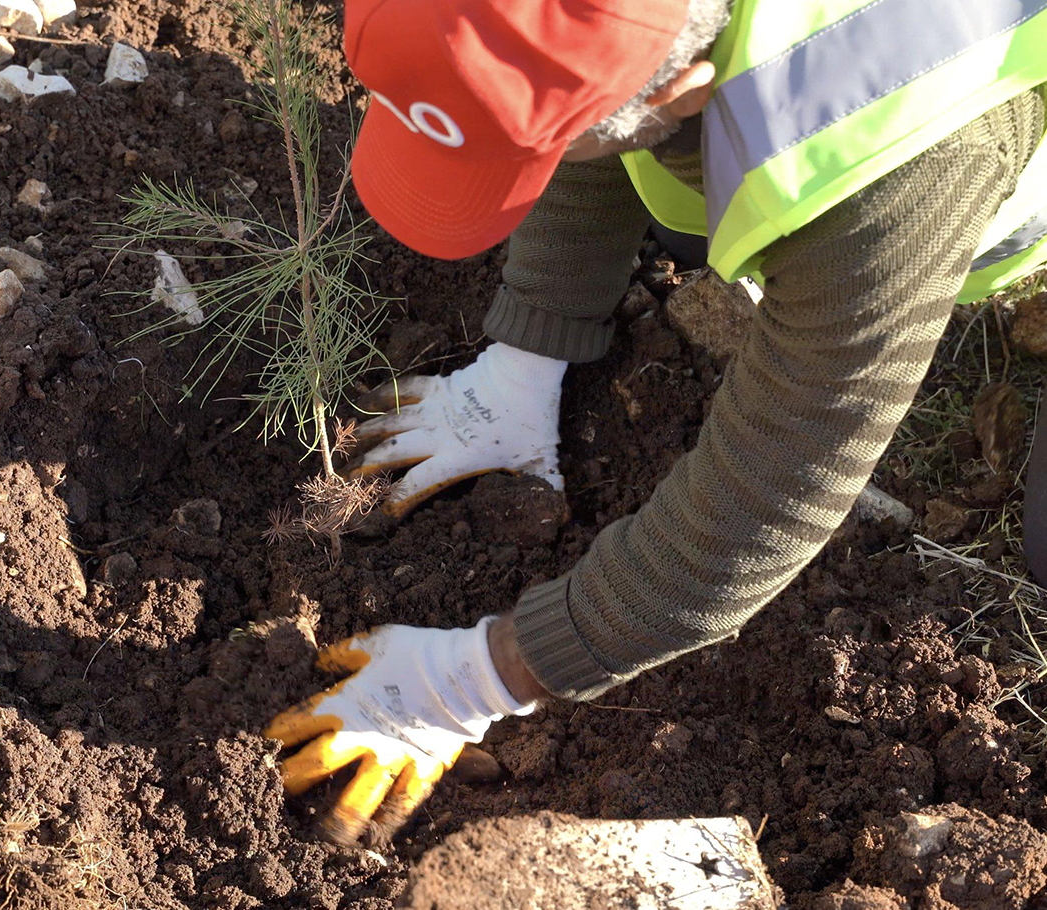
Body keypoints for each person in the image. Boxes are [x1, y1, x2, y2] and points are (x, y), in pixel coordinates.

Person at [266, 0, 1047, 845]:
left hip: (944, 136)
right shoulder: (659, 47)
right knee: (685, 200)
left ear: (681, 89)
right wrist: (527, 353)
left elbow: (777, 488)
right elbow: (582, 80)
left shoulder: (885, 169)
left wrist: (481, 677)